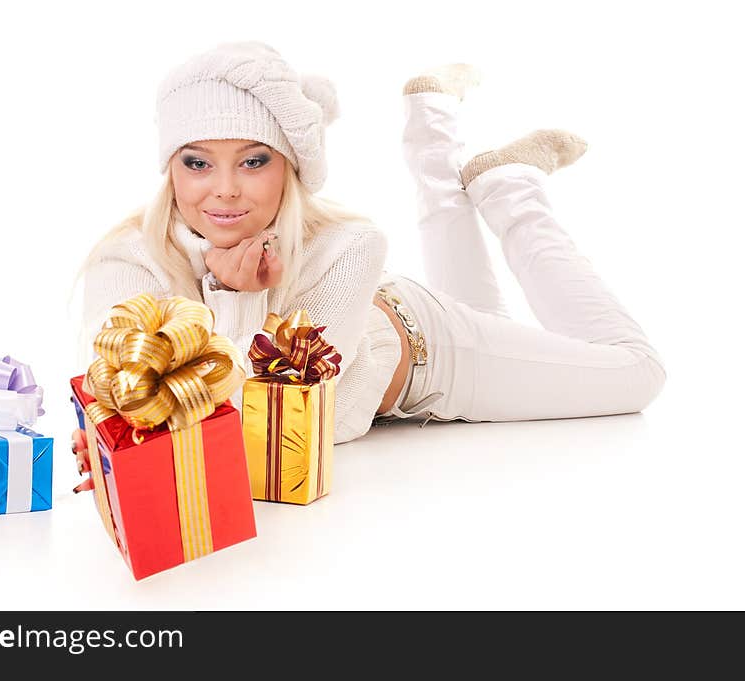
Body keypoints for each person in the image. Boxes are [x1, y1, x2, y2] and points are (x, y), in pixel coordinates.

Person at [70, 40, 666, 461]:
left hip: (435, 355)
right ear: (169, 167)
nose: (223, 188)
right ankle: (434, 128)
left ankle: (513, 193)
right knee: (507, 321)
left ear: (290, 170)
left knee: (637, 373)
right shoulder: (125, 259)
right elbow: (115, 391)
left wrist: (234, 295)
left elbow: (306, 423)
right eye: (196, 162)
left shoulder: (349, 243)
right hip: (392, 337)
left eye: (254, 161)